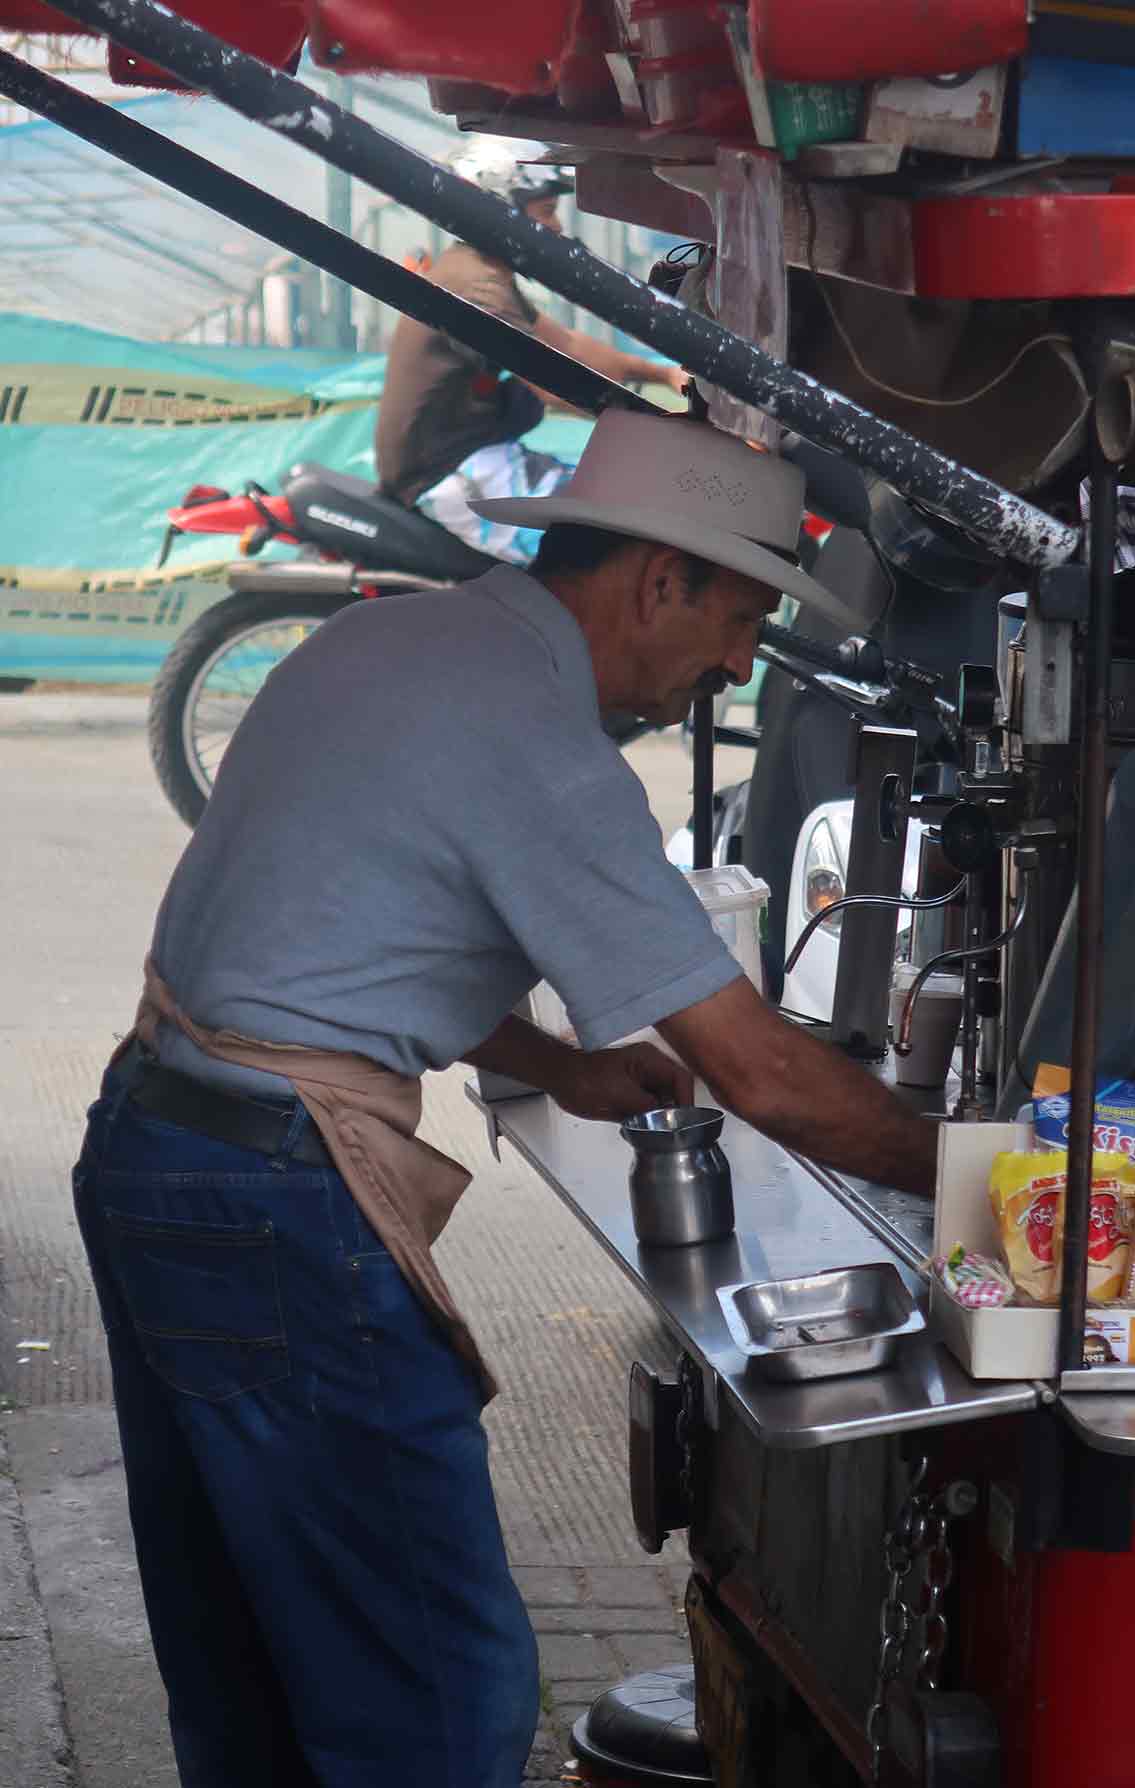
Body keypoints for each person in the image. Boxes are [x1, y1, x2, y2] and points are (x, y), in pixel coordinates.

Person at [73, 413, 937, 1788]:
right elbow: (764, 1074)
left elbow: (343, 924)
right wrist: (983, 1179)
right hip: (268, 1202)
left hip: (159, 1146)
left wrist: (562, 1067)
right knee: (435, 1692)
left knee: (249, 1663)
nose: (732, 667)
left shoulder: (396, 643)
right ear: (660, 579)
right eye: (738, 621)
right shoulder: (540, 746)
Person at [374, 134, 687, 563]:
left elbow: (568, 343)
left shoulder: (482, 272)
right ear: (500, 212)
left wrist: (664, 375)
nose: (556, 228)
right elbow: (555, 388)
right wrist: (669, 428)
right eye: (546, 212)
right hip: (452, 473)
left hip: (477, 456)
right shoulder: (478, 289)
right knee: (601, 554)